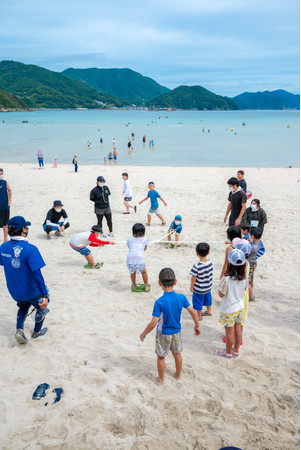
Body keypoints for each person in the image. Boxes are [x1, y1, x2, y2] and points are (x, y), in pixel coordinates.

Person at [140, 268, 201, 385]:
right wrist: (197, 325)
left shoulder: (160, 302)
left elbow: (154, 322)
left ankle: (161, 379)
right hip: (177, 331)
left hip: (163, 333)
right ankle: (178, 375)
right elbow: (193, 311)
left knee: (161, 357)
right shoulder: (181, 298)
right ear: (175, 282)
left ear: (159, 283)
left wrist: (144, 333)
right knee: (177, 353)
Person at [0, 216, 49, 344]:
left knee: (23, 305)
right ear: (23, 229)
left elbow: (5, 263)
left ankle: (19, 330)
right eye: (26, 227)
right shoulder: (31, 249)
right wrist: (44, 295)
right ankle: (37, 331)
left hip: (14, 291)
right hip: (30, 290)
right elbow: (37, 275)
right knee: (42, 303)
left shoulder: (3, 247)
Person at [217, 249, 247, 358]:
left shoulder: (226, 279)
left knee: (229, 333)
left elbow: (221, 294)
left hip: (229, 308)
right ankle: (236, 350)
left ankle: (228, 352)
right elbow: (244, 289)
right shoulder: (244, 277)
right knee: (238, 330)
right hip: (240, 306)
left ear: (230, 263)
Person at [190, 242, 213, 320]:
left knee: (198, 302)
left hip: (199, 289)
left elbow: (194, 277)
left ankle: (199, 316)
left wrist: (191, 286)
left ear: (197, 254)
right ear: (208, 253)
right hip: (208, 286)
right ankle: (209, 311)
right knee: (208, 299)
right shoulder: (210, 262)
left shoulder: (196, 266)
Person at [126, 223, 149, 291]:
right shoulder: (145, 240)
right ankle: (146, 286)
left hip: (130, 260)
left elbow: (129, 247)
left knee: (132, 272)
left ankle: (134, 285)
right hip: (139, 260)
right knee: (144, 272)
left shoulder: (129, 240)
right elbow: (145, 248)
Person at [248, 228, 264, 302]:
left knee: (248, 280)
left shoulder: (252, 247)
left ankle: (251, 296)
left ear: (253, 236)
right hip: (254, 262)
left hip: (250, 263)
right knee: (251, 278)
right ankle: (250, 294)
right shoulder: (259, 243)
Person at [0, 168, 12, 242]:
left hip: (5, 207)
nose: (1, 175)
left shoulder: (4, 182)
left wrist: (9, 200)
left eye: (2, 174)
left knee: (5, 224)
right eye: (0, 174)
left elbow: (10, 190)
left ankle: (5, 238)